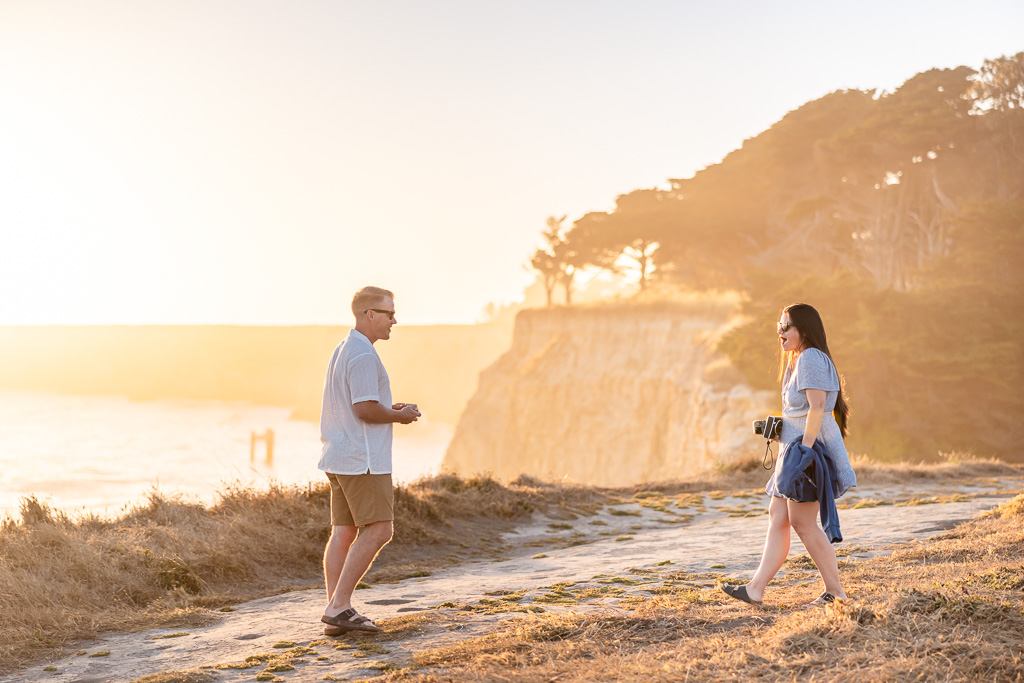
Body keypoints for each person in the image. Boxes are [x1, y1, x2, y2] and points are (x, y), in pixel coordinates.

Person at [722, 303, 857, 608]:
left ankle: (835, 592)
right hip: (793, 450)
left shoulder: (810, 357)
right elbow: (801, 410)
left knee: (803, 523)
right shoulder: (798, 359)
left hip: (806, 454)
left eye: (786, 327)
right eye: (778, 327)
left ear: (804, 330)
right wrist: (781, 430)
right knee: (779, 517)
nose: (780, 333)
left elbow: (818, 408)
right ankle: (755, 589)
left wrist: (804, 451)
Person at [318, 286, 421, 633]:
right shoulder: (363, 355)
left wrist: (388, 409)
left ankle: (336, 612)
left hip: (340, 455)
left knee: (344, 531)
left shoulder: (344, 348)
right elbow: (363, 409)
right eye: (389, 313)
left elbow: (360, 403)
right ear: (370, 315)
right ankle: (340, 607)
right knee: (379, 530)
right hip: (363, 460)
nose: (395, 320)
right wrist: (400, 416)